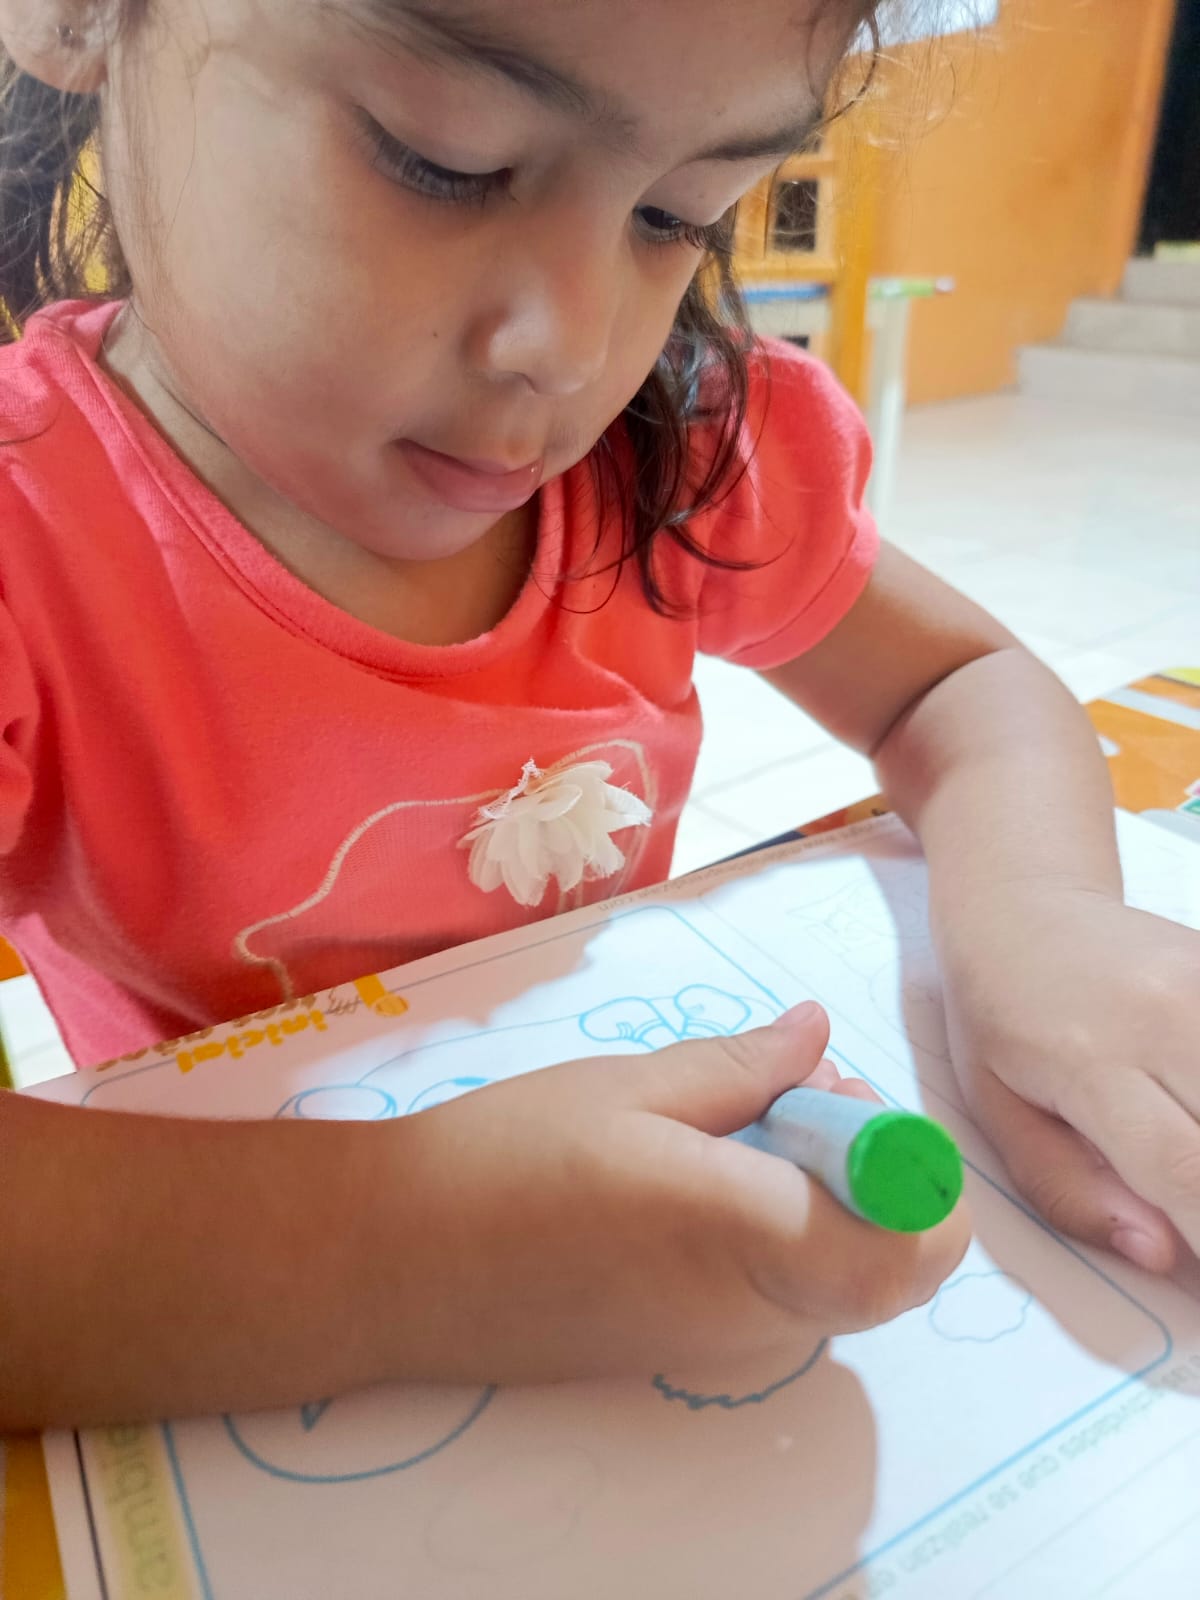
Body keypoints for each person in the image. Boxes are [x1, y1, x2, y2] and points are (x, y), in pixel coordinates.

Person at [0, 0, 1193, 1431]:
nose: (570, 347)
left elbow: (960, 682)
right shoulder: (31, 546)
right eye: (444, 160)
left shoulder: (675, 456)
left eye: (679, 215)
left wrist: (1046, 922)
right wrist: (418, 1250)